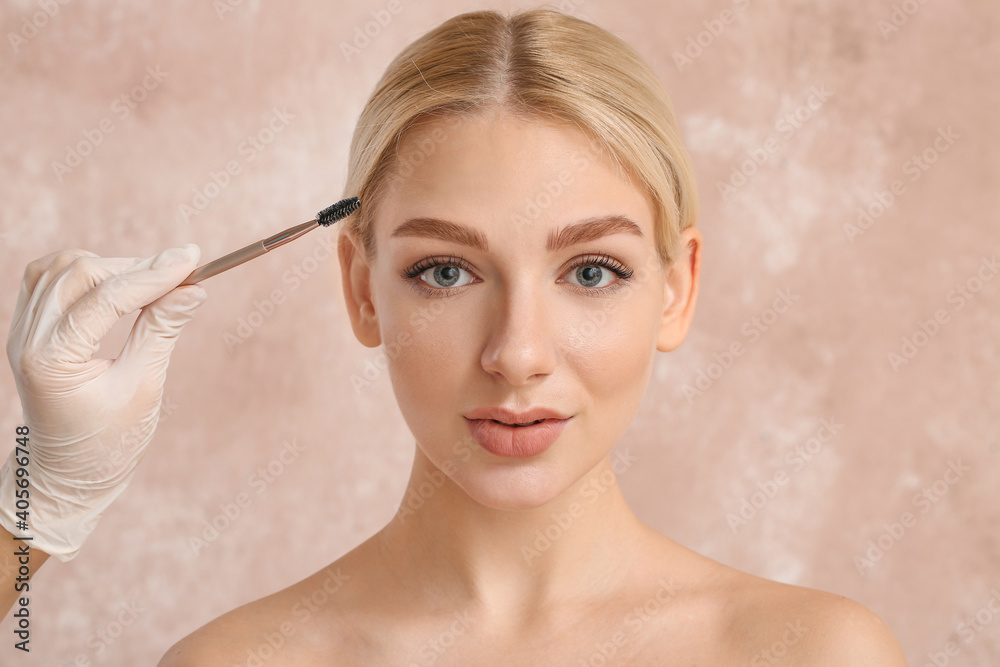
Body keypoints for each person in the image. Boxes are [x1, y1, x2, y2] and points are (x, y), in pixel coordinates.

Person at [1, 8, 908, 664]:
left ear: (678, 290)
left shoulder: (813, 652)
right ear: (362, 288)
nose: (517, 354)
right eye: (447, 270)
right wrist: (32, 505)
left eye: (592, 271)